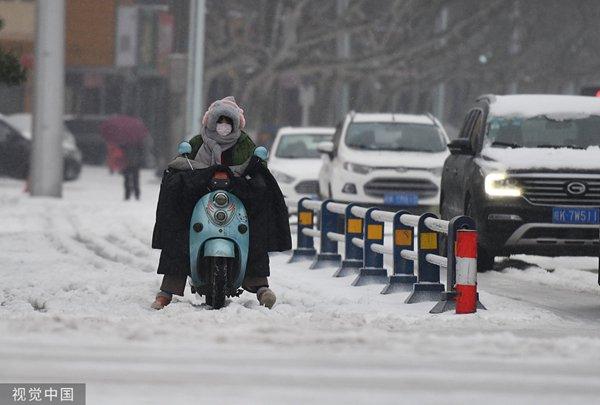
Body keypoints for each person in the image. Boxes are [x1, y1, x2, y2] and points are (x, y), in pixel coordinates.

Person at [151, 96, 289, 310]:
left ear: (236, 124)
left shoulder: (245, 144)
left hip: (236, 203)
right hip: (199, 201)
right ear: (210, 121)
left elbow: (254, 169)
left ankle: (260, 284)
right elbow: (182, 166)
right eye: (219, 121)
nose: (223, 126)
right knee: (178, 229)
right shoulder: (197, 142)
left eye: (228, 121)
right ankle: (168, 289)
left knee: (256, 229)